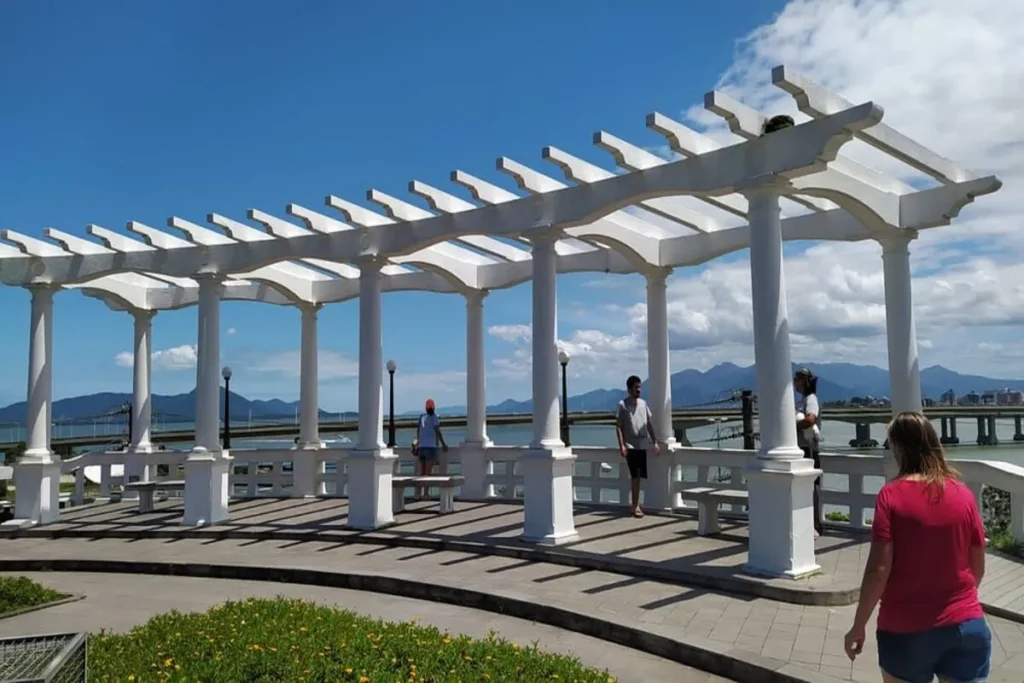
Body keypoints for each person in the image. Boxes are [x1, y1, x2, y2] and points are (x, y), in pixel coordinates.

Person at [844, 411, 989, 683]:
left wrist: (858, 625)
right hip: (967, 627)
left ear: (898, 447)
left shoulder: (891, 496)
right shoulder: (963, 494)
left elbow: (879, 569)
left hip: (905, 630)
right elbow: (977, 566)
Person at [615, 375, 659, 519]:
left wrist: (655, 441)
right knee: (635, 476)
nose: (639, 390)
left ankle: (635, 505)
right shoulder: (623, 405)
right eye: (636, 387)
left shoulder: (643, 404)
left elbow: (649, 424)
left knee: (639, 476)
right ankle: (635, 506)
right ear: (629, 389)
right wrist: (621, 445)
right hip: (630, 445)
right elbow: (619, 427)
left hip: (642, 444)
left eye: (640, 387)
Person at [794, 368, 824, 537]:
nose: (795, 383)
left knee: (810, 489)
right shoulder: (803, 400)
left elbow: (810, 419)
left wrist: (791, 426)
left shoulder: (811, 399)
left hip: (808, 450)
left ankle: (814, 523)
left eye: (797, 380)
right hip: (803, 449)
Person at [415, 398, 448, 499]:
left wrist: (418, 442)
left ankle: (418, 493)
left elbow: (418, 431)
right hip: (430, 447)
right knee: (428, 473)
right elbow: (437, 432)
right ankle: (425, 493)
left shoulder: (421, 417)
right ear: (433, 407)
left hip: (421, 447)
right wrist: (443, 444)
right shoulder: (434, 417)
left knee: (422, 472)